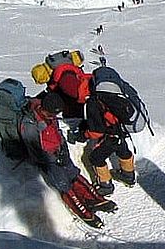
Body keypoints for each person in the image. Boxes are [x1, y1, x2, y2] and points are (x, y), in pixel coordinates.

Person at [19, 90, 117, 229]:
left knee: (73, 173)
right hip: (48, 160)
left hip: (59, 153)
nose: (54, 116)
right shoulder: (30, 123)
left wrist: (63, 150)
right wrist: (52, 159)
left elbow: (58, 133)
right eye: (52, 113)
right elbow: (35, 151)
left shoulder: (49, 116)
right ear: (45, 109)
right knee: (63, 183)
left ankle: (92, 197)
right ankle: (81, 209)